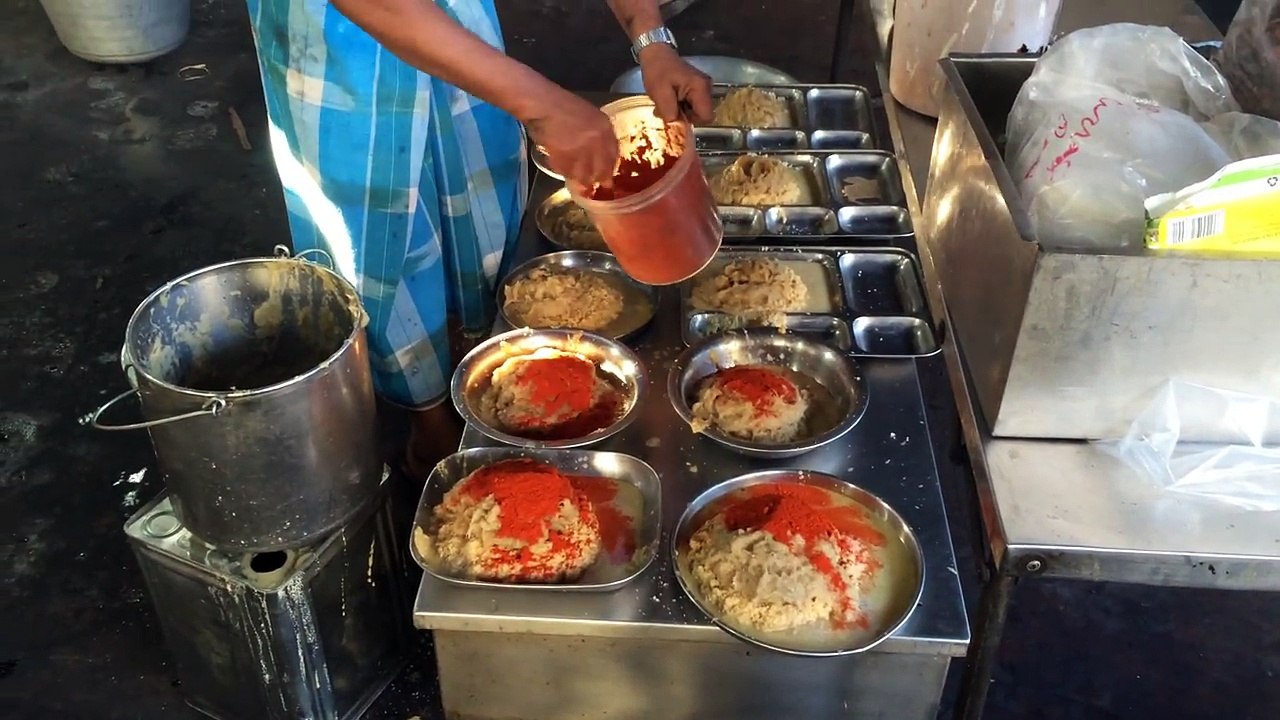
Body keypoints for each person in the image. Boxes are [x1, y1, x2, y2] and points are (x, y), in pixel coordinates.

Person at [243, 0, 713, 475]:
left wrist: (651, 40)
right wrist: (543, 105)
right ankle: (430, 424)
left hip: (458, 24)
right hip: (342, 52)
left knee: (477, 206)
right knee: (382, 242)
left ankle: (474, 372)